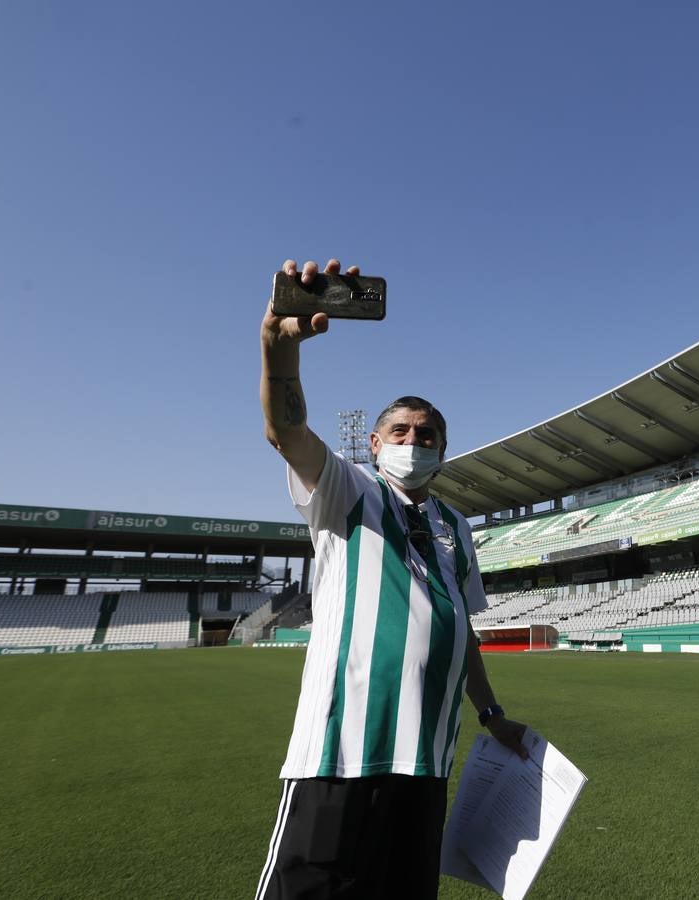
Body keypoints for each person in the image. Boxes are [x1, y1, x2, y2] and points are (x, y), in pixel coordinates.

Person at [254, 258, 529, 899]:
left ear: (443, 449)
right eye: (400, 431)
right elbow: (284, 429)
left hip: (427, 761)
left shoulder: (456, 527)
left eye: (427, 434)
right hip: (339, 756)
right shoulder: (346, 490)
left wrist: (491, 714)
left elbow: (462, 632)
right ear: (374, 444)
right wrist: (278, 355)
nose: (415, 440)